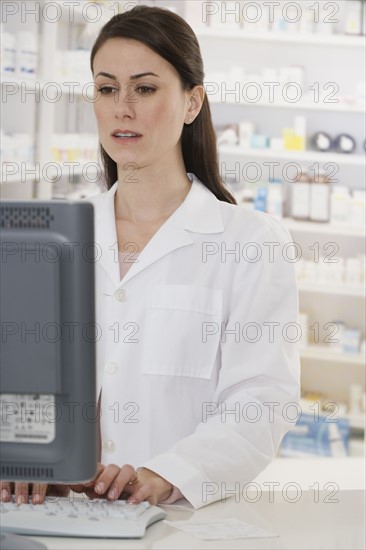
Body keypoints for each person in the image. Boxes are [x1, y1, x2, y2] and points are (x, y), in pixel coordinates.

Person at [1, 5, 300, 509]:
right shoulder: (49, 240)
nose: (122, 107)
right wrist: (21, 459)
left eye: (144, 88)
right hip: (52, 514)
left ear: (191, 102)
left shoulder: (250, 242)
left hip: (175, 521)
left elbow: (262, 402)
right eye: (106, 88)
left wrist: (167, 473)